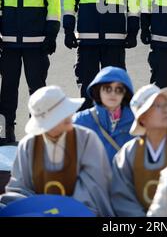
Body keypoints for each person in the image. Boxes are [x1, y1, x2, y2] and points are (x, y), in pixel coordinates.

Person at [0, 86, 114, 217]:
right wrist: (37, 207)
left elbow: (97, 188)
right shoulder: (28, 144)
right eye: (64, 118)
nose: (71, 119)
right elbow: (19, 188)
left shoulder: (86, 138)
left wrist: (61, 207)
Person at [0, 0, 61, 146]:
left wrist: (52, 32)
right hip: (8, 42)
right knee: (7, 92)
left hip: (37, 42)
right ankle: (5, 135)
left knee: (38, 91)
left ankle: (37, 136)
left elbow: (54, 2)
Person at [110, 84, 167, 216]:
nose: (166, 110)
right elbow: (121, 197)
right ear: (142, 117)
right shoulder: (128, 153)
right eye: (157, 106)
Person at [73, 66, 134, 164]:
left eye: (119, 89)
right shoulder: (80, 121)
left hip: (126, 179)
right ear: (98, 90)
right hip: (93, 178)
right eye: (107, 88)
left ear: (125, 93)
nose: (113, 94)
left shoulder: (137, 122)